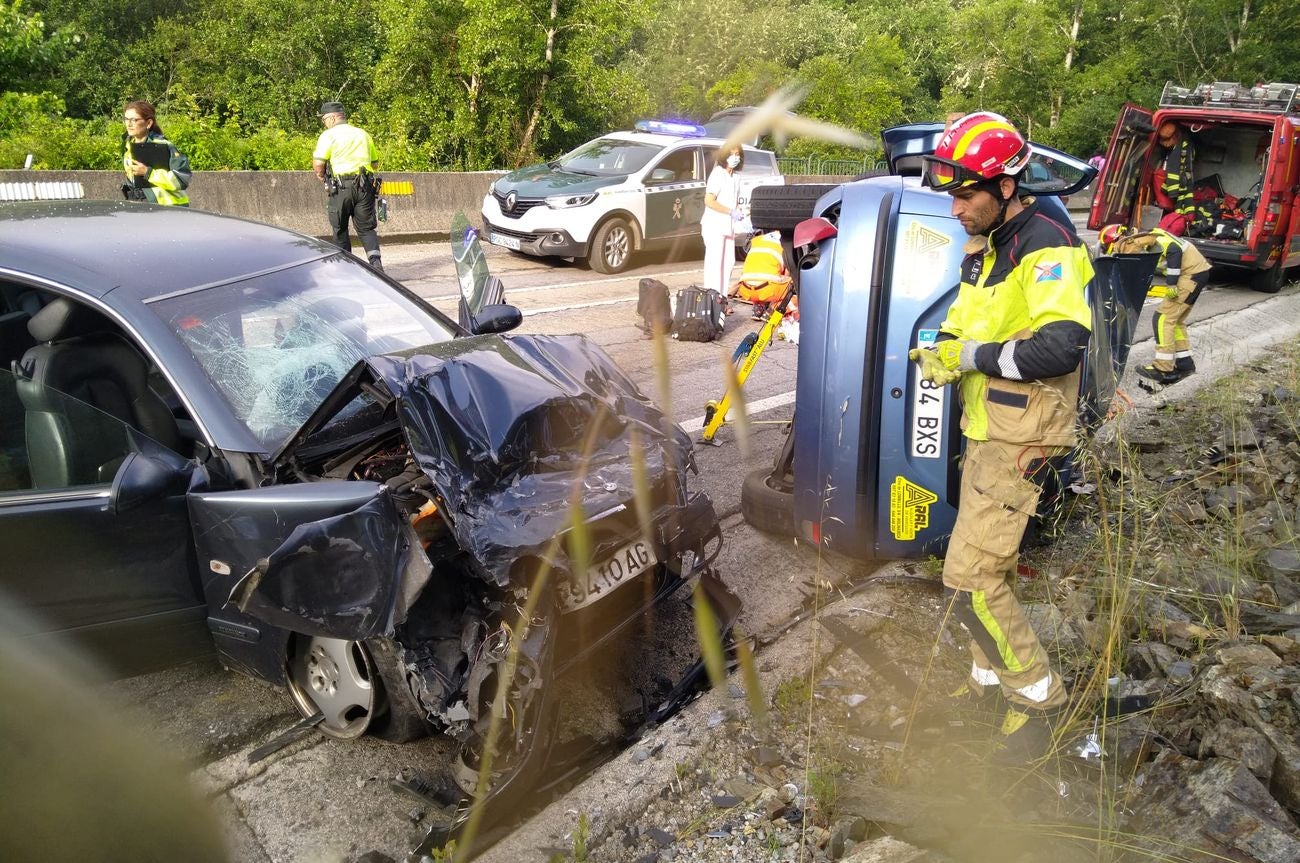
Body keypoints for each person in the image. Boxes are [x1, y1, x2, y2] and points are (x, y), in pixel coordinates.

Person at [913, 111, 1094, 759]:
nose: (954, 206)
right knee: (978, 561)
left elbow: (1061, 345)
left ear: (1007, 185)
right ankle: (989, 679)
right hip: (988, 428)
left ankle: (1040, 694)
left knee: (968, 579)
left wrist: (973, 359)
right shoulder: (987, 241)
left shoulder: (1044, 242)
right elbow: (968, 321)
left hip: (1024, 437)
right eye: (950, 191)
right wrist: (942, 350)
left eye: (966, 194)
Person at [1100, 224, 1211, 384]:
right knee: (1176, 321)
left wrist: (1172, 283)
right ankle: (1185, 363)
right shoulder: (1148, 239)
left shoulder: (1149, 239)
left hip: (1190, 275)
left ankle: (1163, 368)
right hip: (1197, 273)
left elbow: (1174, 249)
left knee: (1162, 319)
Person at [313, 101, 383, 271]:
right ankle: (376, 264)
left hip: (341, 187)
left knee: (340, 227)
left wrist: (321, 176)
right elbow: (374, 163)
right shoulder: (363, 134)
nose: (324, 123)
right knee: (366, 228)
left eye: (324, 120)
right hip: (365, 186)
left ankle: (346, 269)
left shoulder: (328, 136)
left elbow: (318, 163)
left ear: (332, 118)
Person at [121, 100, 190, 206]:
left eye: (134, 120)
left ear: (148, 123)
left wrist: (148, 173)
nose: (129, 124)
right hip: (141, 207)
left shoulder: (164, 146)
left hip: (169, 209)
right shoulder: (127, 146)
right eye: (126, 119)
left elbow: (182, 178)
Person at [700, 145, 746, 296]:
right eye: (731, 154)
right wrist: (730, 211)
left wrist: (740, 213)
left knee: (728, 263)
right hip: (715, 226)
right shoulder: (718, 174)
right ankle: (712, 299)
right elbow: (709, 200)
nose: (734, 157)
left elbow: (734, 202)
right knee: (715, 265)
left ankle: (722, 299)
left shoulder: (736, 177)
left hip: (728, 227)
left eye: (737, 154)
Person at [1152, 121, 1198, 235]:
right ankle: (1182, 224)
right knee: (1186, 206)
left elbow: (1173, 174)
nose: (1166, 145)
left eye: (1167, 141)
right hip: (1185, 186)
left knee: (1181, 208)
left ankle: (1179, 225)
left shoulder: (1176, 153)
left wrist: (1171, 192)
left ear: (1174, 137)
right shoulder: (1185, 145)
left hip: (1179, 190)